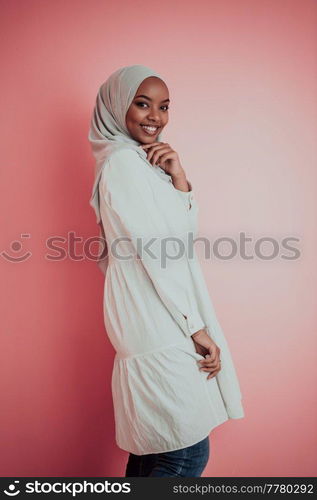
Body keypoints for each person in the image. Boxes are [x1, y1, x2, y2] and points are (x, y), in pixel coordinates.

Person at [88, 65, 244, 477]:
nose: (155, 116)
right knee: (183, 456)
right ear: (117, 107)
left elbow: (179, 240)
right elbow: (159, 254)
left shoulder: (140, 164)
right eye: (142, 104)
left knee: (156, 452)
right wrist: (195, 327)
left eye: (164, 106)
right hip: (161, 325)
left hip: (160, 319)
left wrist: (178, 178)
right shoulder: (123, 163)